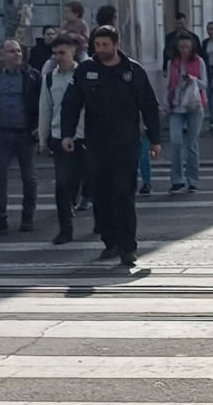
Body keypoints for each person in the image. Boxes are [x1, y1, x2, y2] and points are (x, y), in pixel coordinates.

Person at [61, 25, 161, 267]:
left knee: (124, 194)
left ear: (117, 44)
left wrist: (155, 139)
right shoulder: (86, 71)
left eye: (106, 45)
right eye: (97, 45)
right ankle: (110, 242)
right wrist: (67, 134)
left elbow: (149, 106)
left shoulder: (133, 71)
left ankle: (128, 247)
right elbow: (71, 104)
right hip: (96, 145)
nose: (101, 50)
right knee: (102, 195)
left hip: (126, 144)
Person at [0, 39, 42, 235]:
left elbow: (42, 104)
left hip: (25, 133)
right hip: (2, 132)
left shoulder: (32, 76)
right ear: (3, 55)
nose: (17, 55)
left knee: (29, 178)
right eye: (12, 52)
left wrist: (40, 127)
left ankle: (27, 216)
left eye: (19, 51)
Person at [38, 33, 86, 245]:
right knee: (62, 186)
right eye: (55, 53)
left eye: (62, 52)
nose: (58, 56)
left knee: (88, 180)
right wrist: (43, 139)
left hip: (84, 135)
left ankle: (98, 222)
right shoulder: (49, 78)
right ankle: (65, 230)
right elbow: (45, 110)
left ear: (73, 51)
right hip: (59, 137)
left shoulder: (85, 74)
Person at [165, 33, 207, 194]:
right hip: (176, 106)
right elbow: (170, 85)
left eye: (187, 47)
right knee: (175, 142)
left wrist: (193, 80)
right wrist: (166, 102)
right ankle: (177, 180)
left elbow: (204, 84)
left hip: (194, 106)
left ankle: (192, 180)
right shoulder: (173, 63)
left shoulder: (198, 61)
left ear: (192, 47)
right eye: (181, 47)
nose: (184, 50)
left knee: (192, 144)